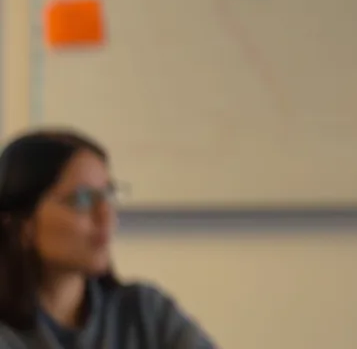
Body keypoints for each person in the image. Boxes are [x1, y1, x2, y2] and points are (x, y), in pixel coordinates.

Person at [0, 129, 214, 349]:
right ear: (22, 224)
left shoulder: (144, 312)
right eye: (82, 199)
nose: (106, 216)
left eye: (108, 195)